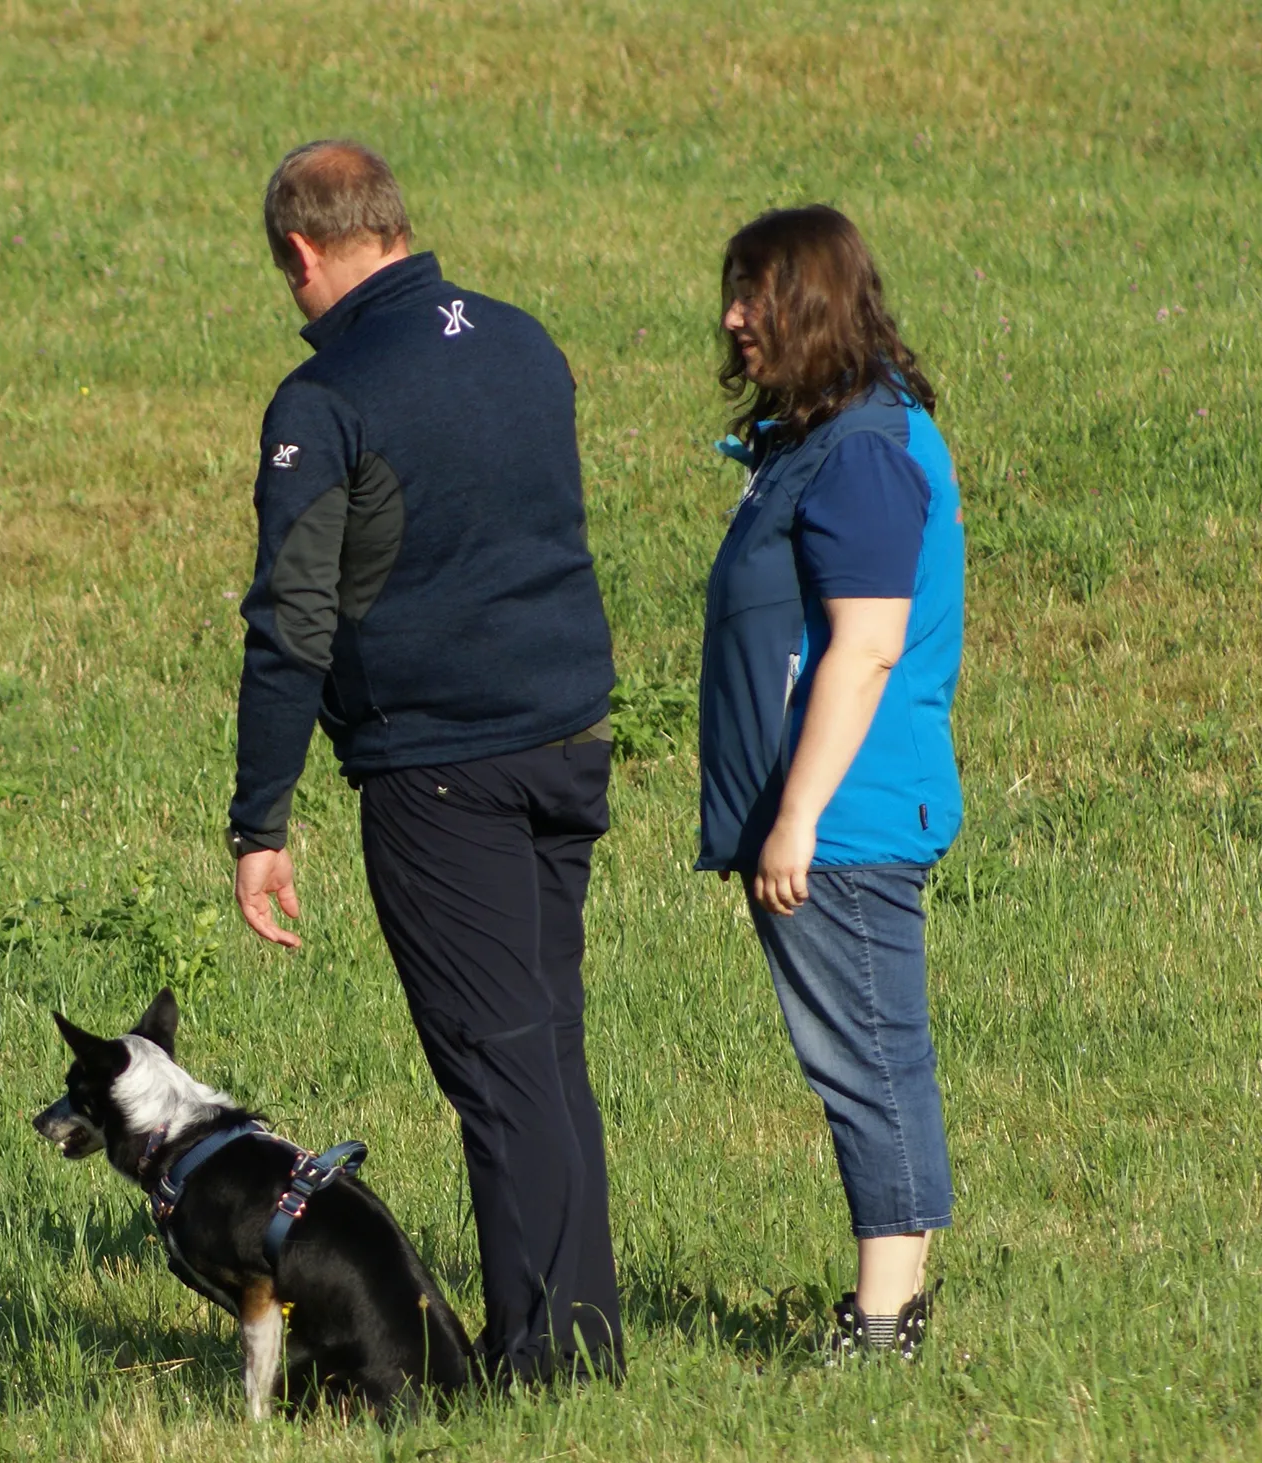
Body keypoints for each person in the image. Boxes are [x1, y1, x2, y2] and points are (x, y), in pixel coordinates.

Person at [225, 140, 622, 1386]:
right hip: (569, 738)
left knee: (501, 1069)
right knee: (545, 1047)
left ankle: (549, 1365)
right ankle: (581, 1342)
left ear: (301, 252)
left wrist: (260, 819)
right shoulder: (522, 340)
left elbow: (292, 621)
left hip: (445, 768)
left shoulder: (329, 398)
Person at [696, 205, 963, 1361]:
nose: (732, 317)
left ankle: (887, 1320)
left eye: (755, 295)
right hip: (822, 813)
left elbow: (866, 643)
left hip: (843, 817)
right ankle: (885, 1306)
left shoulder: (861, 448)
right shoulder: (826, 433)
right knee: (855, 1052)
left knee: (869, 1058)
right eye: (732, 292)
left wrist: (796, 816)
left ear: (812, 303)